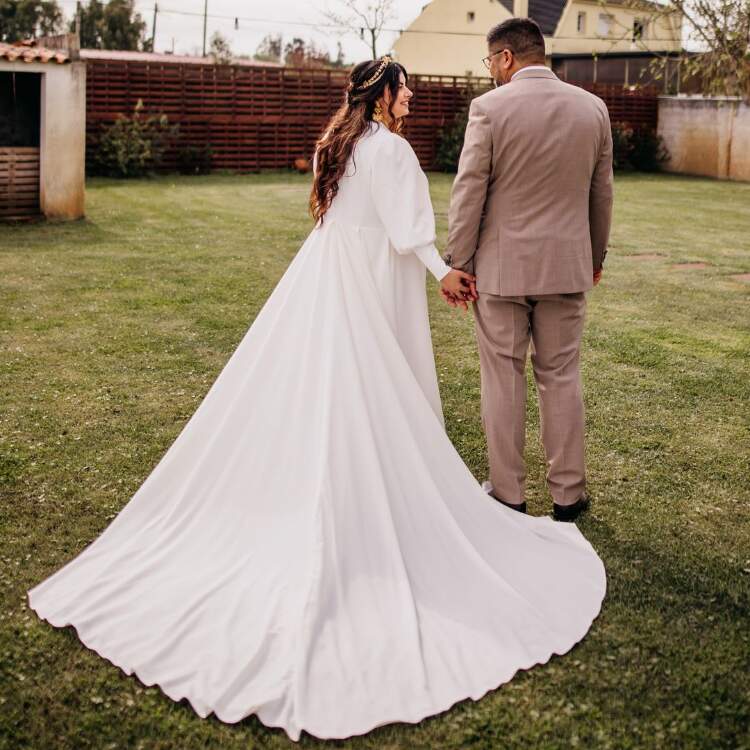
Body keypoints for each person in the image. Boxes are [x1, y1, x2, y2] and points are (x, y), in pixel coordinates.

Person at [27, 55, 606, 743]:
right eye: (405, 86)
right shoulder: (390, 151)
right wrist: (443, 274)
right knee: (377, 390)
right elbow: (406, 233)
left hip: (331, 277)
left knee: (331, 391)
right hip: (374, 284)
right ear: (384, 95)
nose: (412, 94)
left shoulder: (338, 145)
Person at [443, 18, 614, 521]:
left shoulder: (489, 108)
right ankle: (568, 496)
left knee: (503, 378)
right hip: (567, 266)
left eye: (490, 61)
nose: (491, 72)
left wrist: (459, 260)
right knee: (560, 376)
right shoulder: (594, 109)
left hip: (501, 271)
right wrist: (595, 257)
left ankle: (507, 492)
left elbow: (468, 191)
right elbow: (600, 194)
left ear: (506, 58)